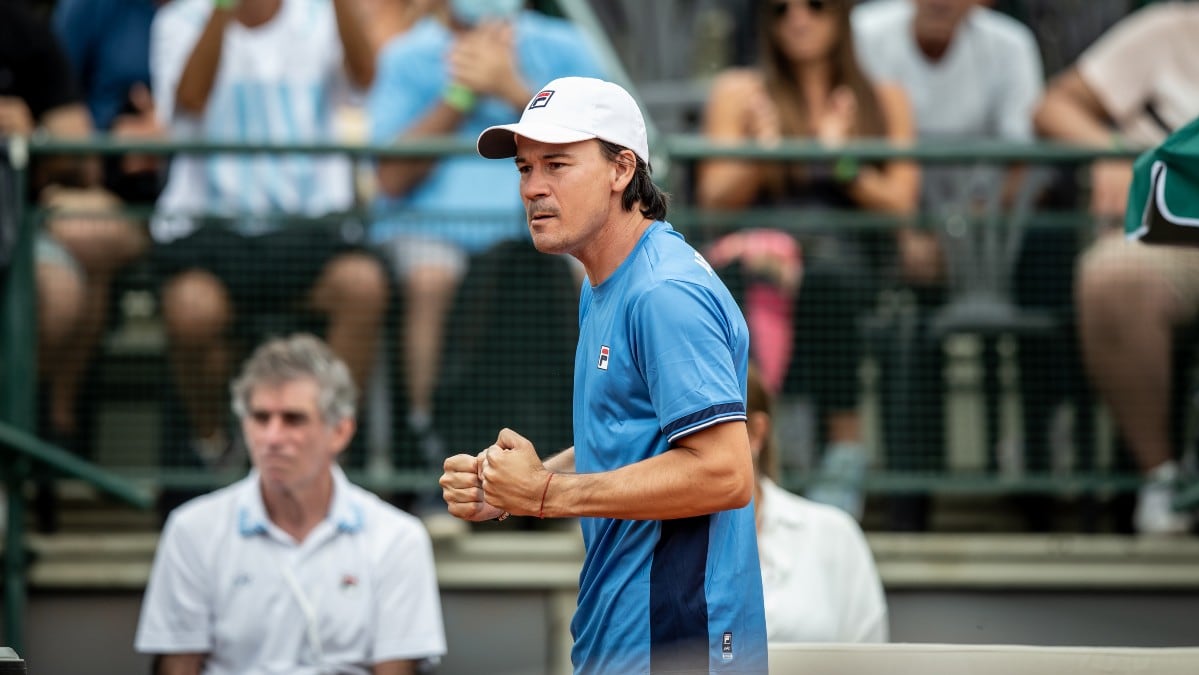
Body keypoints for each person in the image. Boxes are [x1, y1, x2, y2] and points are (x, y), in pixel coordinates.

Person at [440, 76, 769, 674]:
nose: (533, 188)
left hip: (675, 645)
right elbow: (630, 438)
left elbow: (725, 473)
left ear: (622, 170)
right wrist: (517, 483)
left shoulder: (664, 293)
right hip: (625, 641)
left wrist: (544, 495)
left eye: (557, 165)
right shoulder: (609, 281)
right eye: (524, 169)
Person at [695, 0, 920, 520]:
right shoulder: (740, 92)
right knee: (742, 287)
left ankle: (843, 456)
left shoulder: (882, 99)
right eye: (780, 10)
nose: (798, 19)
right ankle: (756, 456)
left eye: (815, 7)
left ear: (840, 16)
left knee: (827, 284)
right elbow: (714, 193)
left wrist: (839, 160)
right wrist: (764, 153)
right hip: (757, 260)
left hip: (845, 263)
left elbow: (900, 201)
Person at [149, 0, 389, 475]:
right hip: (212, 232)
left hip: (307, 232)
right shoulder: (179, 19)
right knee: (192, 311)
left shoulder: (322, 14)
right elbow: (190, 101)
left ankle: (325, 455)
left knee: (362, 286)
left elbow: (366, 80)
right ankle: (214, 445)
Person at [367, 0, 604, 461]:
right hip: (434, 233)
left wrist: (512, 88)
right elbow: (391, 176)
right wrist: (461, 95)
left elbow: (603, 151)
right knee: (429, 277)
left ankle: (595, 436)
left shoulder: (565, 45)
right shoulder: (405, 55)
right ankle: (427, 442)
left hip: (555, 230)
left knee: (596, 276)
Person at [135, 333, 446, 674]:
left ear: (340, 432)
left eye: (293, 419)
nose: (271, 438)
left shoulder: (397, 538)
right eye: (260, 417)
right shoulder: (192, 530)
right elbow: (177, 666)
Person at [852, 0, 1046, 531]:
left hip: (991, 246)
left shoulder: (1011, 45)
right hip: (892, 239)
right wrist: (908, 234)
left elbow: (1022, 162)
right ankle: (909, 505)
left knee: (1051, 297)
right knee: (901, 328)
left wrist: (964, 238)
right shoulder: (866, 31)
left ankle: (1040, 492)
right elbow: (861, 150)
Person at [1033, 1, 1199, 535]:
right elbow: (1054, 106)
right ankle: (1165, 481)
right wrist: (1113, 153)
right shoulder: (1170, 28)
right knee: (1111, 277)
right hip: (1176, 232)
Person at [2, 1, 148, 531]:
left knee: (73, 274)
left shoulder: (22, 30)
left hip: (19, 225)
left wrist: (33, 132)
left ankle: (43, 429)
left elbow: (78, 148)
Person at [746, 365, 888, 643]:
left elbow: (872, 659)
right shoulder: (657, 541)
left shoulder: (834, 535)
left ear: (756, 433)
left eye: (710, 426)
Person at [53, 0, 168, 206]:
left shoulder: (215, 11)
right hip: (104, 188)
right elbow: (55, 107)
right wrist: (111, 137)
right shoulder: (86, 7)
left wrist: (168, 131)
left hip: (195, 187)